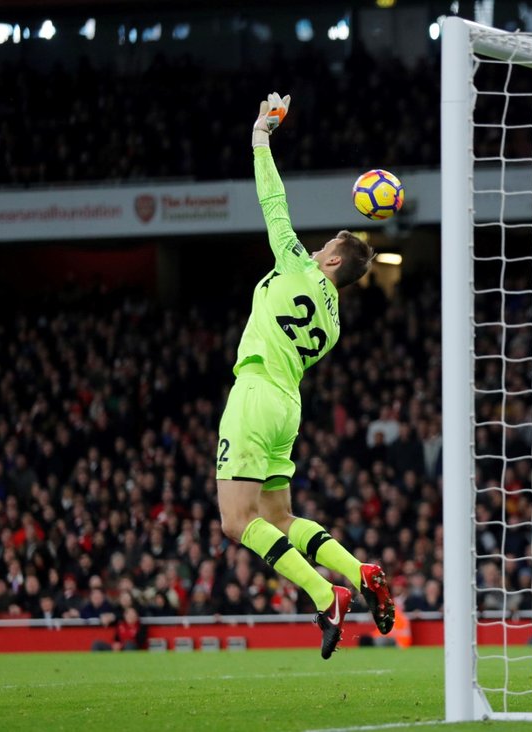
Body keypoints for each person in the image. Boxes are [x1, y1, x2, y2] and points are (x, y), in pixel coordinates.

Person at [215, 92, 394, 660]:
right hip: (288, 405)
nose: (315, 248)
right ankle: (357, 570)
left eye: (324, 247)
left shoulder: (296, 264)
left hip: (257, 389)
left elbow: (273, 202)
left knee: (235, 522)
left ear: (334, 261)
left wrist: (261, 137)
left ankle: (325, 594)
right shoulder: (335, 322)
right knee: (279, 516)